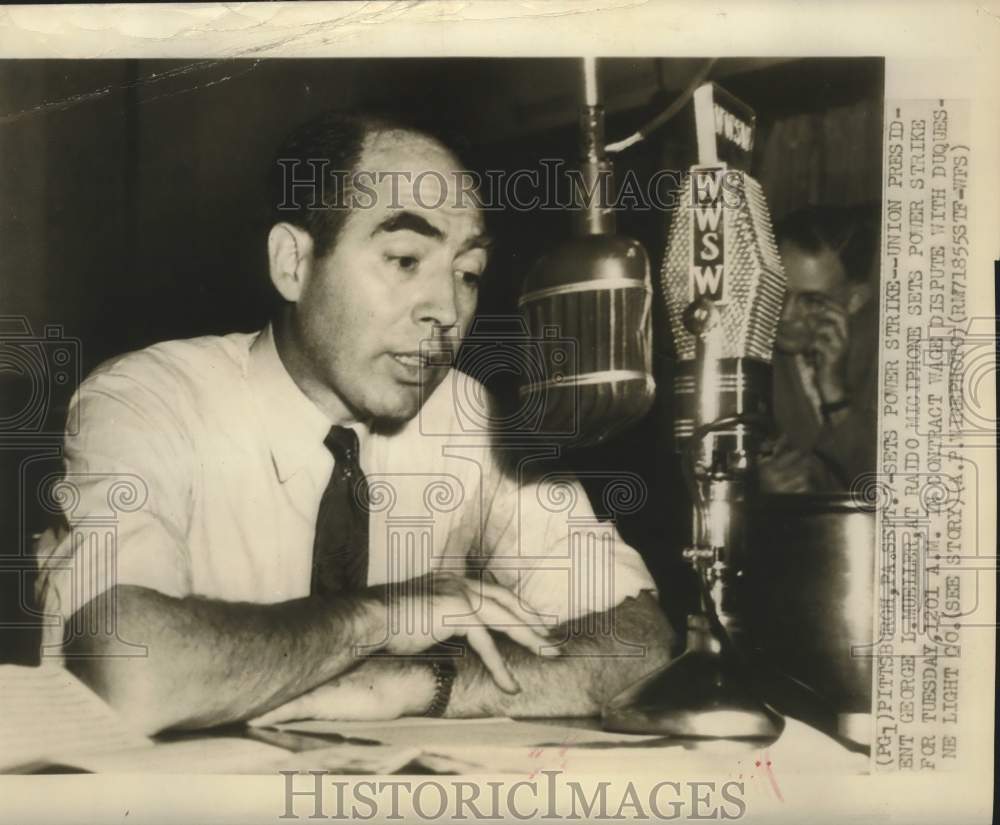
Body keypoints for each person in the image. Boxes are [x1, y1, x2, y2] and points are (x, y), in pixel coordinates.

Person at [34, 112, 672, 735]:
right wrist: (380, 616)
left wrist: (416, 684)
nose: (446, 310)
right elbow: (134, 673)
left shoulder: (471, 419)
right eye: (403, 259)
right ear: (293, 263)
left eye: (468, 273)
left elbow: (640, 637)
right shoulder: (148, 400)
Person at [761, 204, 879, 494]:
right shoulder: (752, 350)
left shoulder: (892, 356)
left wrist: (835, 394)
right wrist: (754, 485)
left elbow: (900, 489)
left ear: (855, 300)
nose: (785, 315)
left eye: (811, 301)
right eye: (777, 291)